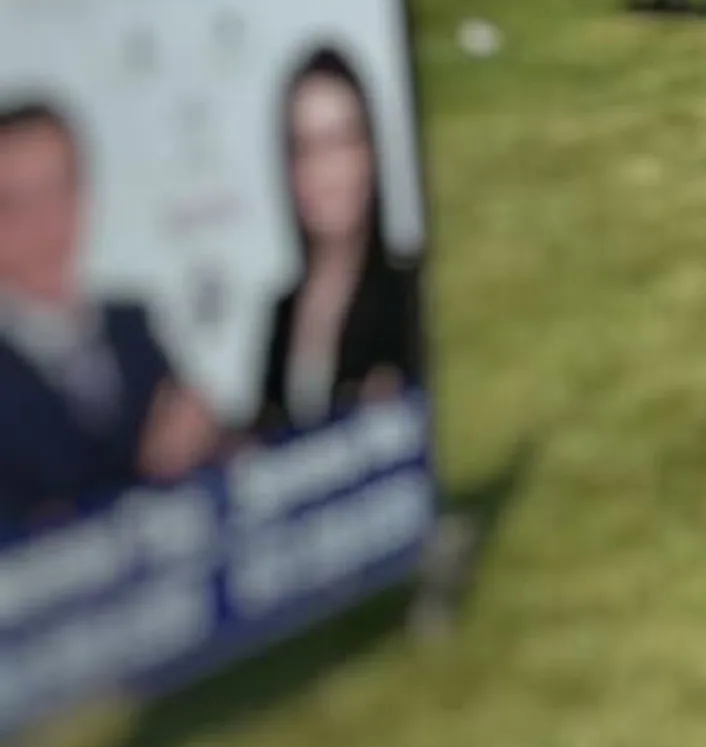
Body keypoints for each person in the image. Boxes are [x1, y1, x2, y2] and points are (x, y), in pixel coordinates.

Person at [0, 98, 220, 530]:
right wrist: (154, 474)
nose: (46, 223)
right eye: (15, 203)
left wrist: (212, 443)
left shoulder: (131, 325)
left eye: (60, 190)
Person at [250, 47, 424, 439]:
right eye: (305, 147)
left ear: (371, 152)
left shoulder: (409, 293)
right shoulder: (282, 312)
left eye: (339, 141)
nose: (323, 170)